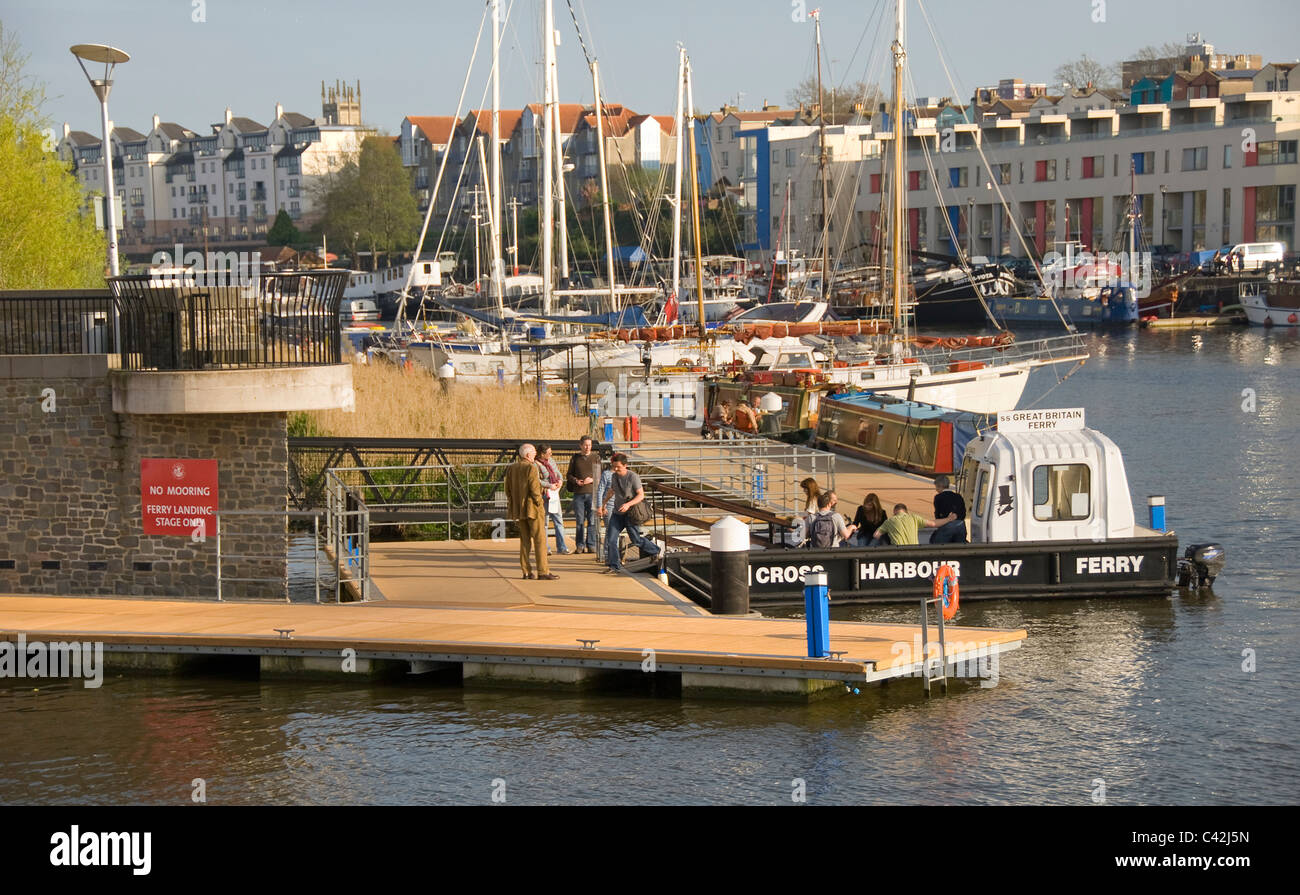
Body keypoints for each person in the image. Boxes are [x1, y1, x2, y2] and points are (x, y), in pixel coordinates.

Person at [599, 452, 662, 573]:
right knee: (611, 539)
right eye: (614, 466)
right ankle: (614, 565)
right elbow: (611, 491)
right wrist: (604, 503)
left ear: (625, 465)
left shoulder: (633, 477)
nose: (615, 469)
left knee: (636, 540)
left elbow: (641, 495)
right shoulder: (614, 476)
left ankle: (655, 550)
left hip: (631, 513)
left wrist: (628, 504)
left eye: (618, 466)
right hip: (617, 513)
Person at [505, 444, 558, 580]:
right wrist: (539, 503)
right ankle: (543, 571)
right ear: (528, 455)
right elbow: (534, 489)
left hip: (519, 510)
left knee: (525, 541)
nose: (536, 454)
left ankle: (526, 571)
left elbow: (508, 490)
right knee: (540, 540)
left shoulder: (511, 468)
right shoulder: (531, 467)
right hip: (533, 509)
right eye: (534, 452)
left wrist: (514, 504)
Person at [565, 436, 600, 554]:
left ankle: (591, 544)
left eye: (589, 445)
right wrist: (576, 481)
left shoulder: (596, 457)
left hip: (592, 492)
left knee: (592, 520)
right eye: (585, 445)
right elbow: (569, 475)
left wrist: (592, 479)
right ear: (580, 445)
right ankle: (580, 545)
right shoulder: (575, 458)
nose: (587, 447)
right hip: (579, 494)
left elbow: (600, 476)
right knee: (580, 520)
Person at [534, 443, 571, 555]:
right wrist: (549, 485)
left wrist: (560, 481)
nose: (550, 454)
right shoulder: (535, 465)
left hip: (554, 494)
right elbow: (536, 480)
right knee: (544, 522)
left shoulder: (552, 461)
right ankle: (545, 548)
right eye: (548, 453)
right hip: (544, 495)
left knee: (558, 520)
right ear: (542, 454)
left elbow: (558, 473)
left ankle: (562, 547)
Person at [870, 502, 944, 547]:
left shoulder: (889, 521)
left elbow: (876, 535)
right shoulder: (914, 518)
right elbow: (933, 524)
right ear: (906, 511)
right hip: (914, 551)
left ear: (895, 512)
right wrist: (949, 519)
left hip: (898, 552)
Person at [930, 475, 968, 544]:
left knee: (936, 543)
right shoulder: (958, 496)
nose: (936, 489)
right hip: (961, 525)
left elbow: (937, 515)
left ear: (939, 486)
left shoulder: (938, 497)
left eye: (936, 487)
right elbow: (964, 513)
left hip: (947, 524)